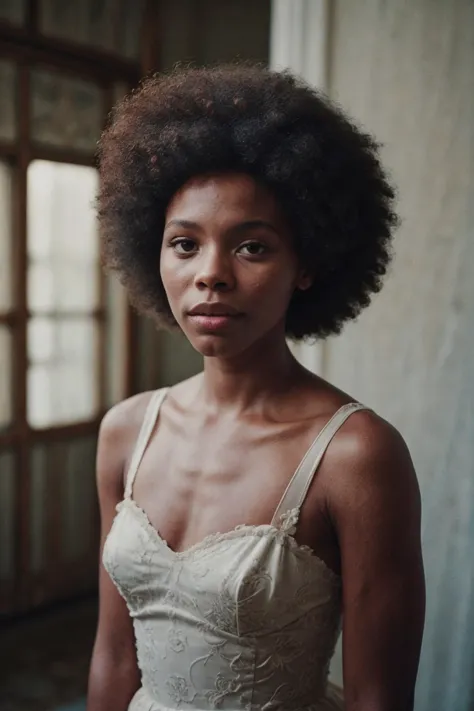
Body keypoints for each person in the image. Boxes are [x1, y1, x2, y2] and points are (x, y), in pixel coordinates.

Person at [87, 65, 425, 711]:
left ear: (307, 265)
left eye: (251, 248)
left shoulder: (356, 455)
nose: (210, 275)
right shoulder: (125, 432)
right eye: (185, 243)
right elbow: (112, 655)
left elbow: (378, 697)